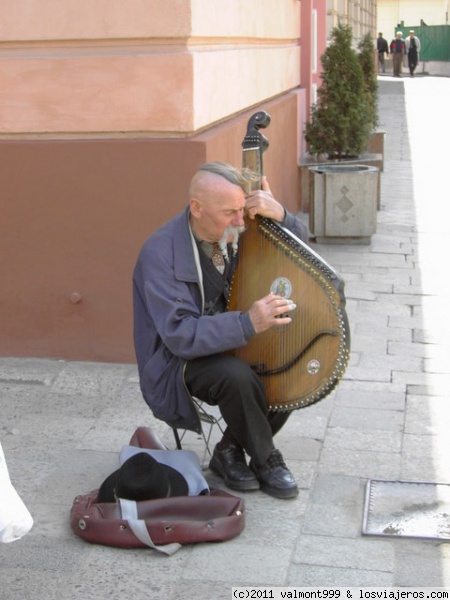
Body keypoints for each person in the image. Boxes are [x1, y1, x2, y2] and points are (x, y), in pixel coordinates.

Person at [133, 161, 310, 500]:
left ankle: (228, 451)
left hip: (229, 338)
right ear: (197, 208)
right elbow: (180, 335)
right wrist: (247, 323)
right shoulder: (159, 254)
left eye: (243, 210)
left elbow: (302, 255)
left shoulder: (234, 228)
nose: (241, 221)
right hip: (176, 361)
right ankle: (265, 458)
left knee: (291, 366)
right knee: (237, 376)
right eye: (231, 212)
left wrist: (283, 218)